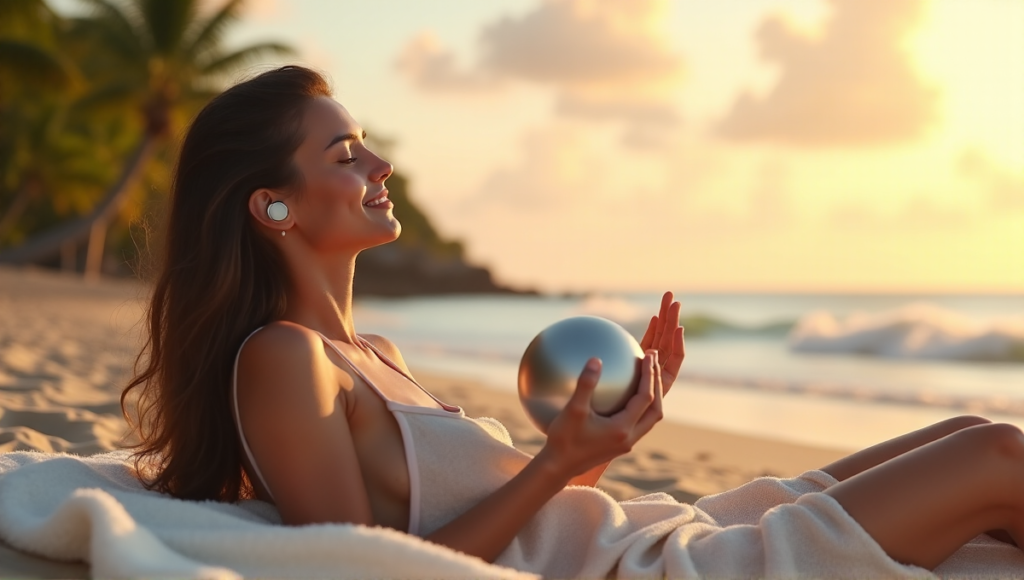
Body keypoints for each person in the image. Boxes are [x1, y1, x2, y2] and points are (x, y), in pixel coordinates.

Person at [122, 65, 1024, 577]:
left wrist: (598, 446)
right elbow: (376, 568)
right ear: (273, 207)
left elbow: (494, 511)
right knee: (1002, 458)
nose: (381, 163)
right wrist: (556, 462)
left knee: (971, 428)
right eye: (346, 153)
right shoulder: (285, 360)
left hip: (651, 527)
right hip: (641, 572)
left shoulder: (372, 353)